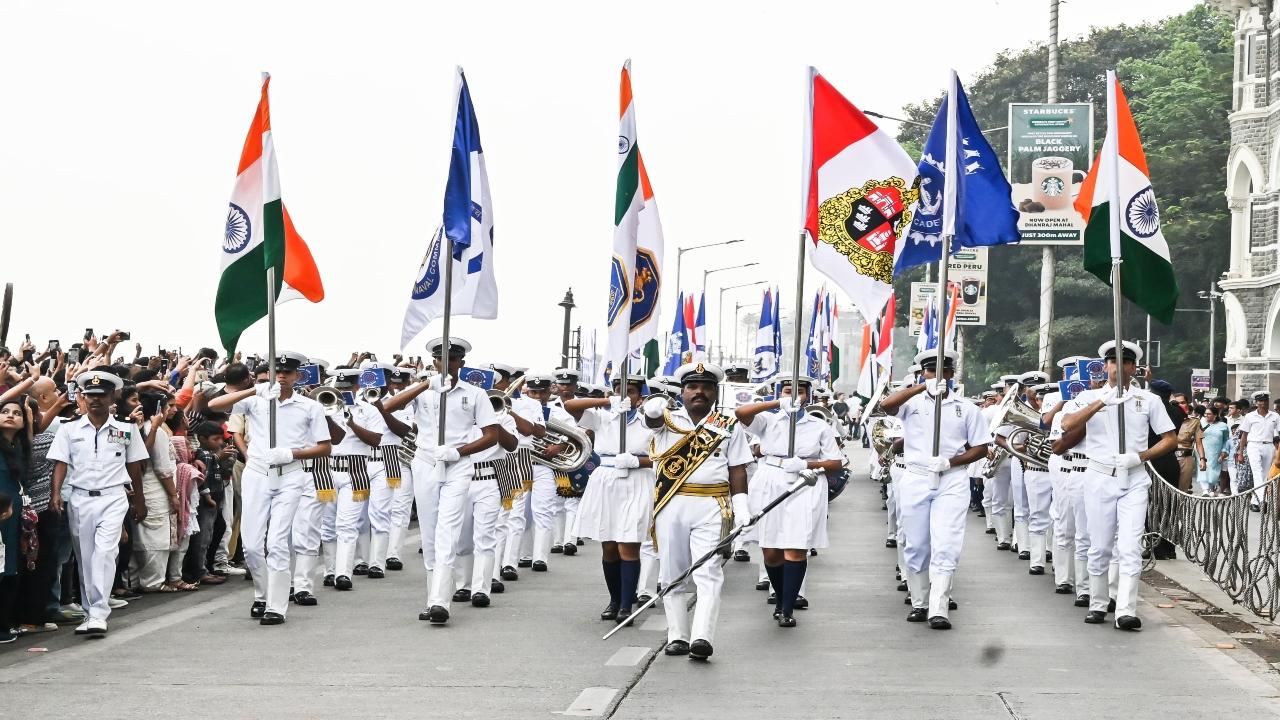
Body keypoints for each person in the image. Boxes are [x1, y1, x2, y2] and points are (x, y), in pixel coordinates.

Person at [206, 351, 333, 626]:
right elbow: (215, 404)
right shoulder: (254, 399)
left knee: (277, 542)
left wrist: (292, 453)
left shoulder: (309, 407)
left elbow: (325, 447)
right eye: (278, 371)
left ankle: (277, 605)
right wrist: (255, 389)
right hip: (257, 473)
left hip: (289, 473)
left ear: (298, 376)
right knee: (252, 545)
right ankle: (261, 594)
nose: (282, 375)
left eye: (288, 371)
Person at [379, 337, 499, 624]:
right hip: (426, 462)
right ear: (434, 362)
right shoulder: (423, 390)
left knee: (448, 530)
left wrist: (459, 450)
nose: (447, 364)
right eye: (441, 359)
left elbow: (492, 435)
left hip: (457, 465)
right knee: (430, 533)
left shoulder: (475, 394)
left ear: (461, 362)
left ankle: (440, 603)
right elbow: (388, 407)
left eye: (453, 359)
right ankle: (433, 596)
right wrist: (425, 384)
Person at [1060, 341, 1176, 631]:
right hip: (1099, 476)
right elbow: (1066, 424)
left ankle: (1126, 609)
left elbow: (1170, 438)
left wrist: (1141, 456)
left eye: (1125, 362)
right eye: (1113, 361)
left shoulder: (1148, 400)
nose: (1118, 367)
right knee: (1099, 547)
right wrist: (1103, 401)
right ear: (1106, 366)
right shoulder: (1088, 396)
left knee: (1129, 547)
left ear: (1133, 367)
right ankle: (1098, 603)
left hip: (1134, 476)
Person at [641, 362, 751, 658]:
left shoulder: (728, 425)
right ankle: (677, 635)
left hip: (713, 504)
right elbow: (650, 422)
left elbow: (737, 468)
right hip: (672, 503)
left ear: (716, 392)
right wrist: (652, 407)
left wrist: (742, 506)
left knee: (709, 571)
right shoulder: (667, 419)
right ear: (683, 391)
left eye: (706, 387)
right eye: (692, 387)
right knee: (672, 572)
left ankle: (702, 636)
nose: (699, 392)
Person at [879, 350, 990, 630]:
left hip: (950, 478)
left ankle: (939, 607)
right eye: (930, 371)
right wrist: (920, 386)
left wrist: (950, 461)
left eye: (941, 371)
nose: (936, 375)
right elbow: (886, 406)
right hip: (916, 476)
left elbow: (980, 448)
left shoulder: (966, 408)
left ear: (951, 374)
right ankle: (919, 601)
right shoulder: (911, 402)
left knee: (946, 543)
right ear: (922, 372)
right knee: (916, 544)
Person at [734, 372, 843, 629]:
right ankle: (781, 594)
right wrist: (777, 403)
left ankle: (787, 606)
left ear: (808, 395)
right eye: (787, 390)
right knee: (771, 551)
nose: (794, 395)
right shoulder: (768, 421)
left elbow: (836, 463)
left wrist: (807, 463)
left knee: (795, 546)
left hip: (804, 481)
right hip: (770, 478)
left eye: (800, 391)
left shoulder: (820, 426)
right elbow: (741, 413)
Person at [48, 371, 150, 636]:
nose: (95, 400)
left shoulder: (125, 428)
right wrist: (55, 493)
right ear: (82, 397)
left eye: (101, 395)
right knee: (85, 558)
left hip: (113, 497)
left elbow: (134, 465)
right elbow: (61, 463)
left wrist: (140, 501)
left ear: (111, 396)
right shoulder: (69, 429)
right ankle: (90, 610)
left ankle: (98, 613)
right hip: (80, 497)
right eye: (90, 395)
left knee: (105, 552)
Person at [565, 376, 654, 624]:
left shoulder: (650, 421)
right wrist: (609, 401)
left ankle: (627, 605)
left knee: (629, 544)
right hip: (606, 478)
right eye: (619, 391)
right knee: (609, 546)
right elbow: (570, 405)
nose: (625, 396)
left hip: (636, 477)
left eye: (631, 392)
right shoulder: (603, 416)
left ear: (640, 396)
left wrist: (639, 461)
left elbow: (665, 455)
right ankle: (614, 599)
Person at [1238, 391, 1280, 512]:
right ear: (1256, 402)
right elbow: (1244, 435)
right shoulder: (1250, 416)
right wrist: (1240, 453)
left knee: (1266, 475)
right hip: (1254, 445)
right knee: (1257, 473)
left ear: (1268, 402)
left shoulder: (1275, 416)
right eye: (1260, 401)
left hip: (1269, 445)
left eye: (1265, 401)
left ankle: (1255, 501)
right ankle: (1263, 501)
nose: (1263, 403)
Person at [1175, 403, 1206, 493]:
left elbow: (1199, 443)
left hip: (1185, 457)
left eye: (1183, 402)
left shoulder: (1194, 421)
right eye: (1177, 403)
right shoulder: (1165, 418)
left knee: (1182, 490)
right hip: (1168, 457)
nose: (1180, 405)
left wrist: (1202, 459)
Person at [1199, 407, 1229, 496]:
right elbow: (1197, 438)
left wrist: (1224, 451)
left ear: (1215, 415)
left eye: (1209, 414)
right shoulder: (1201, 423)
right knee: (1203, 468)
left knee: (1213, 470)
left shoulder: (1223, 425)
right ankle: (1205, 490)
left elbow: (1226, 440)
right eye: (1205, 414)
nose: (1206, 415)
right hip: (1202, 450)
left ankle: (1211, 488)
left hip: (1216, 451)